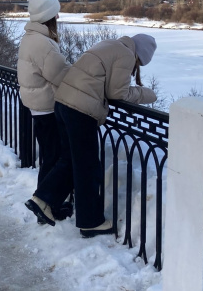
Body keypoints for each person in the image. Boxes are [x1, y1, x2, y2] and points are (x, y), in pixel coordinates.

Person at [26, 33, 157, 239]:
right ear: (140, 54)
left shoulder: (109, 44)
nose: (136, 65)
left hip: (63, 103)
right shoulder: (125, 55)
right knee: (87, 167)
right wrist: (147, 94)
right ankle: (90, 222)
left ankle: (42, 199)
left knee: (69, 160)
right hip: (80, 110)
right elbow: (118, 93)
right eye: (139, 62)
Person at [17, 0, 72, 222]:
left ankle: (49, 204)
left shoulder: (30, 38)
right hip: (47, 107)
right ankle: (46, 203)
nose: (58, 16)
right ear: (49, 16)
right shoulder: (44, 44)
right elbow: (61, 75)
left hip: (36, 106)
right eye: (55, 12)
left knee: (50, 157)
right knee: (56, 157)